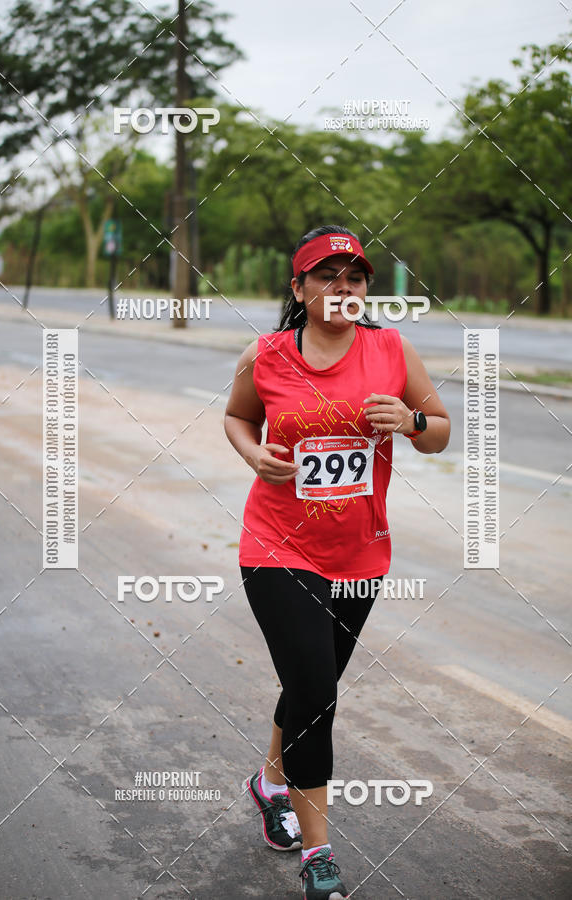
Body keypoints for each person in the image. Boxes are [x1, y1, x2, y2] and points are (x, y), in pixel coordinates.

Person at [224, 224, 450, 899]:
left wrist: (409, 424)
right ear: (299, 288)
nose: (341, 288)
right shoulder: (264, 356)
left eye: (354, 278)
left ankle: (268, 782)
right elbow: (237, 417)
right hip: (276, 546)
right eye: (325, 276)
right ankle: (317, 854)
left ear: (365, 289)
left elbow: (438, 431)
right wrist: (253, 454)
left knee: (306, 686)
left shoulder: (391, 349)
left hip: (359, 555)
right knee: (318, 696)